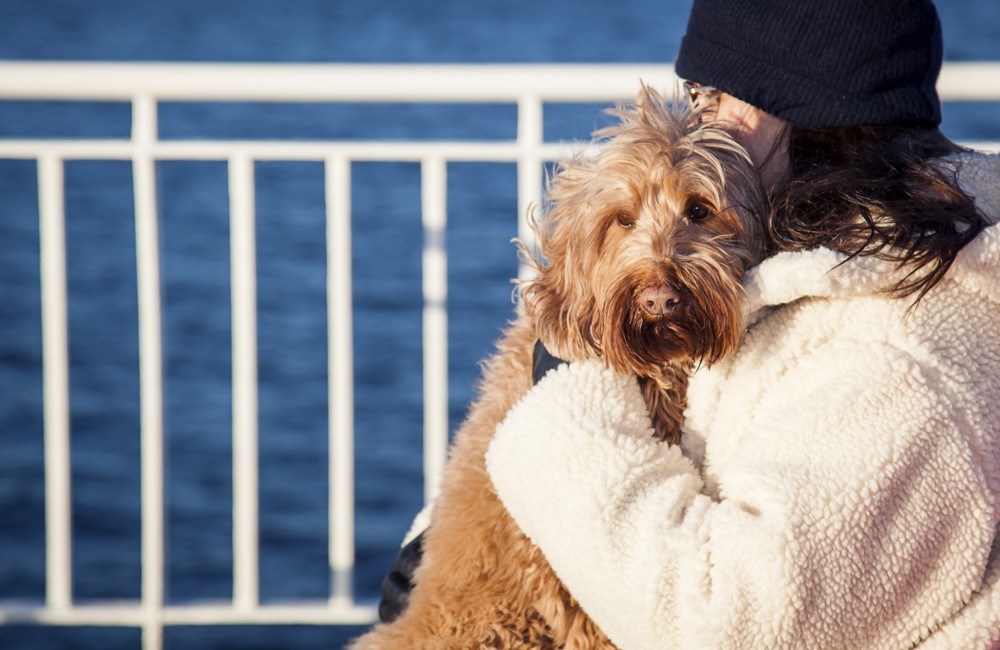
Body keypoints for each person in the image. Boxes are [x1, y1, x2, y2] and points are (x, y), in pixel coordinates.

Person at [381, 0, 1000, 647]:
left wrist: (564, 395)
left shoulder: (903, 355)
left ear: (818, 110)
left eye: (720, 96)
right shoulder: (809, 256)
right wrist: (441, 540)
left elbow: (725, 622)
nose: (702, 120)